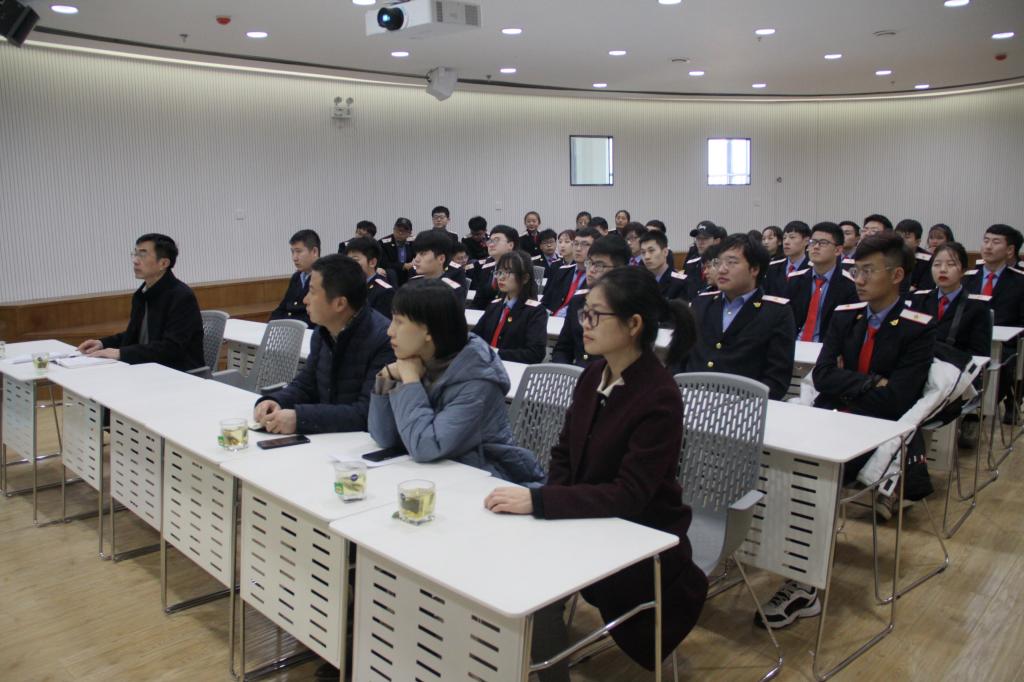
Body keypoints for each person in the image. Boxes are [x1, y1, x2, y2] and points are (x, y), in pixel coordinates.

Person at [484, 266, 707, 680]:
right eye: (583, 312)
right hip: (588, 517)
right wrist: (549, 510)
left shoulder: (659, 394)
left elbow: (629, 495)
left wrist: (541, 501)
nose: (583, 324)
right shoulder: (592, 375)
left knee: (533, 584)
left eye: (595, 315)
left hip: (641, 535)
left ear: (633, 325)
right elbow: (564, 453)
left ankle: (544, 668)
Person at [757, 233, 936, 630]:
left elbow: (898, 399)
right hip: (829, 417)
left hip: (875, 433)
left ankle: (804, 585)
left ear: (897, 275)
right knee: (771, 462)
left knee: (807, 477)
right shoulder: (845, 315)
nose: (859, 279)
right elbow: (822, 376)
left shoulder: (917, 328)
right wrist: (872, 382)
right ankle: (770, 553)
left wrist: (849, 383)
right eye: (856, 270)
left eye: (869, 271)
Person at [368, 279, 545, 484]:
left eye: (399, 322)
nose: (390, 331)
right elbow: (383, 437)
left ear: (428, 331)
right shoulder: (421, 360)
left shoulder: (477, 379)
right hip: (441, 476)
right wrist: (386, 380)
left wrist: (410, 382)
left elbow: (426, 447)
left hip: (488, 478)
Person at [253, 254, 394, 434]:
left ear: (339, 303)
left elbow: (366, 412)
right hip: (329, 440)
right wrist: (276, 401)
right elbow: (306, 385)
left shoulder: (384, 340)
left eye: (312, 292)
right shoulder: (323, 331)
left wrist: (300, 419)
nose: (305, 300)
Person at [684, 234, 796, 401]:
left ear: (754, 269)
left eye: (731, 262)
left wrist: (742, 406)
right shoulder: (701, 303)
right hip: (691, 399)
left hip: (743, 407)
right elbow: (679, 358)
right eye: (718, 262)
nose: (722, 269)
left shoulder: (776, 312)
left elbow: (777, 379)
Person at [79, 233, 204, 372]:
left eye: (143, 255)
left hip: (179, 374)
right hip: (149, 368)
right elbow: (133, 334)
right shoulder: (142, 294)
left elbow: (171, 348)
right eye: (135, 254)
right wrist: (102, 343)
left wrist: (121, 353)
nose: (135, 261)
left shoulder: (181, 296)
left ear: (163, 263)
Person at [910, 241, 993, 446]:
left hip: (954, 374)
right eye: (937, 264)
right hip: (920, 368)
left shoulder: (976, 307)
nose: (943, 269)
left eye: (950, 264)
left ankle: (912, 448)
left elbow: (979, 355)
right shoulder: (919, 300)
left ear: (963, 270)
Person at [964, 224, 1024, 422]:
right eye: (986, 240)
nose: (988, 246)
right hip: (969, 341)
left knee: (1002, 363)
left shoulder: (1020, 282)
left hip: (1004, 346)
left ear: (1010, 250)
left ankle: (976, 415)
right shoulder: (966, 279)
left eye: (996, 242)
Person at [551, 235, 631, 367]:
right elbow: (563, 349)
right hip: (577, 374)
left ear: (620, 270)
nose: (591, 270)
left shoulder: (629, 306)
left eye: (599, 265)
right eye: (589, 263)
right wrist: (564, 371)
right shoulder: (578, 301)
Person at [785, 222, 858, 342]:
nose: (816, 247)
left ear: (838, 250)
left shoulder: (849, 285)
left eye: (823, 243)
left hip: (827, 346)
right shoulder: (795, 280)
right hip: (795, 344)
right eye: (813, 242)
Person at [471, 250, 548, 364]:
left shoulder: (535, 311)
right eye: (499, 272)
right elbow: (475, 336)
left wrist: (496, 353)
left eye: (507, 272)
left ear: (525, 278)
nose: (500, 277)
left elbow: (535, 354)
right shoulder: (494, 305)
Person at [541, 226, 599, 316]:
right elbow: (546, 301)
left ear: (597, 248)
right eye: (576, 244)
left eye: (585, 244)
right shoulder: (562, 272)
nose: (578, 249)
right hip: (552, 320)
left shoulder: (598, 277)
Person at [270, 229, 320, 328]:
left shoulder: (323, 277)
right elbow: (283, 308)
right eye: (292, 252)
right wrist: (270, 326)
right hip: (289, 330)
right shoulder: (296, 277)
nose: (294, 258)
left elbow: (316, 318)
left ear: (314, 252)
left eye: (299, 251)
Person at [408, 230, 467, 306]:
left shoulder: (452, 291)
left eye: (422, 254)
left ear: (441, 259)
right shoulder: (412, 283)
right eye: (416, 254)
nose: (416, 259)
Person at [470, 225, 519, 310]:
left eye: (496, 240)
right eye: (490, 241)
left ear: (510, 245)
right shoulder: (487, 267)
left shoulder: (520, 268)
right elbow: (478, 300)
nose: (491, 244)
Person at [344, 237, 394, 319]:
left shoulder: (384, 292)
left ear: (372, 262)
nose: (349, 265)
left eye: (355, 260)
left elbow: (381, 324)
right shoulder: (347, 287)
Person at [764, 221, 810, 296]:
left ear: (806, 241)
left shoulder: (812, 269)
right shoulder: (773, 267)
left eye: (792, 237)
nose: (786, 242)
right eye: (784, 238)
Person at [639, 230, 687, 302]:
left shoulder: (680, 283)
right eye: (643, 252)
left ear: (665, 252)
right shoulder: (641, 282)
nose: (646, 257)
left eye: (651, 251)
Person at [684, 221, 726, 299]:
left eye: (705, 238)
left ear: (716, 241)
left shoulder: (723, 265)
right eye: (698, 238)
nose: (700, 242)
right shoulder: (691, 264)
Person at [895, 219, 933, 292]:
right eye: (898, 236)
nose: (901, 240)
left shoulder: (928, 260)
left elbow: (925, 289)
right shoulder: (888, 256)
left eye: (906, 237)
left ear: (917, 242)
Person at [379, 217, 415, 286]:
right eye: (398, 230)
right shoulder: (383, 243)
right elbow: (383, 263)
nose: (400, 233)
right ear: (393, 229)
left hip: (408, 271)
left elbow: (420, 256)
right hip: (391, 271)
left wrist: (414, 263)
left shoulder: (413, 242)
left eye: (404, 230)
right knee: (391, 272)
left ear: (410, 233)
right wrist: (403, 266)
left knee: (415, 269)